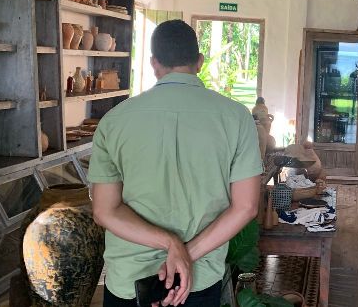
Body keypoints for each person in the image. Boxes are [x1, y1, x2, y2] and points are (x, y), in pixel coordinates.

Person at [89, 20, 263, 306]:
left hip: (130, 280)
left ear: (154, 63)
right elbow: (246, 207)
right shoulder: (237, 118)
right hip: (197, 279)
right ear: (200, 62)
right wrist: (185, 255)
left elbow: (104, 210)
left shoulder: (114, 121)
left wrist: (170, 245)